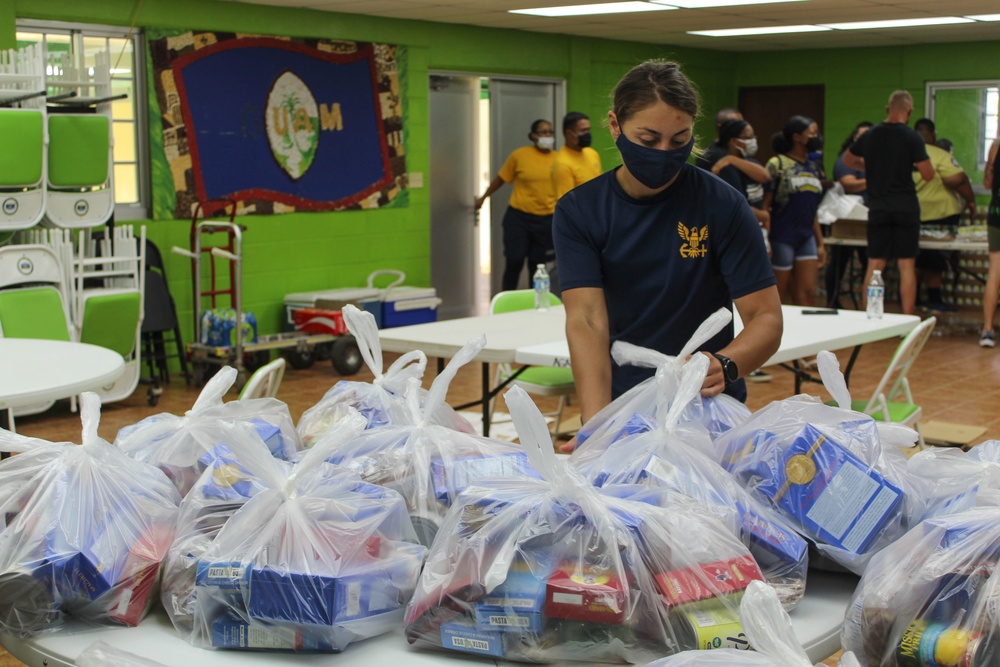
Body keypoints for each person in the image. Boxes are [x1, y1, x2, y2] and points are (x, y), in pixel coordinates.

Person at [553, 60, 782, 448]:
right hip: (627, 409)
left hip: (709, 410)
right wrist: (596, 424)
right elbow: (587, 321)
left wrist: (725, 364)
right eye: (648, 139)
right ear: (614, 125)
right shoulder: (581, 211)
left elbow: (765, 316)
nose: (664, 152)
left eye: (679, 141)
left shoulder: (721, 205)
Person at [843, 90, 934, 316]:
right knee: (906, 265)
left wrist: (872, 167)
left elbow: (848, 160)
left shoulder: (870, 134)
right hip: (906, 208)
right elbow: (928, 174)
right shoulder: (912, 137)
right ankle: (908, 318)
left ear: (887, 109)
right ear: (909, 111)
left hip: (878, 208)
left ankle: (867, 316)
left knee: (875, 264)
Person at [475, 119, 557, 291]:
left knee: (538, 266)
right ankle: (506, 303)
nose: (548, 135)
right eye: (543, 132)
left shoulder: (559, 160)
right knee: (515, 261)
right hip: (519, 218)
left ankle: (536, 306)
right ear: (533, 136)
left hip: (546, 220)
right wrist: (483, 198)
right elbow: (501, 179)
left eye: (550, 132)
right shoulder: (520, 155)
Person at [912, 117, 978, 312]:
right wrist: (971, 200)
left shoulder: (904, 153)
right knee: (935, 260)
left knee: (913, 259)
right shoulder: (939, 154)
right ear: (932, 134)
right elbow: (956, 179)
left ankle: (911, 299)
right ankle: (934, 299)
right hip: (940, 214)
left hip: (912, 213)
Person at [762, 115, 827, 306]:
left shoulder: (813, 165)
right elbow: (765, 204)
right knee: (778, 296)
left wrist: (820, 243)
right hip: (782, 235)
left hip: (806, 236)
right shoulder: (777, 164)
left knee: (808, 294)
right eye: (812, 133)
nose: (817, 137)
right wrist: (764, 237)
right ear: (797, 137)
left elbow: (812, 207)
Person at [826, 121, 872, 308]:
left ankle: (867, 304)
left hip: (868, 218)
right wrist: (874, 180)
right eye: (862, 135)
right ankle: (832, 300)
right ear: (855, 138)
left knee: (868, 262)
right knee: (839, 262)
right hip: (846, 217)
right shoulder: (847, 158)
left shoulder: (873, 158)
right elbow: (848, 183)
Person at [553, 111, 603, 199]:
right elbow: (566, 203)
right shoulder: (562, 164)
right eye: (583, 130)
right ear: (569, 134)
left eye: (588, 129)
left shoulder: (592, 153)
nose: (587, 134)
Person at [981, 137, 1000, 347]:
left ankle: (987, 329)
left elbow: (987, 183)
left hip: (996, 214)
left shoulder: (996, 146)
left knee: (995, 271)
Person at [695, 107, 742, 171]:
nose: (742, 128)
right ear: (720, 126)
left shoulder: (738, 150)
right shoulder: (710, 154)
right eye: (735, 125)